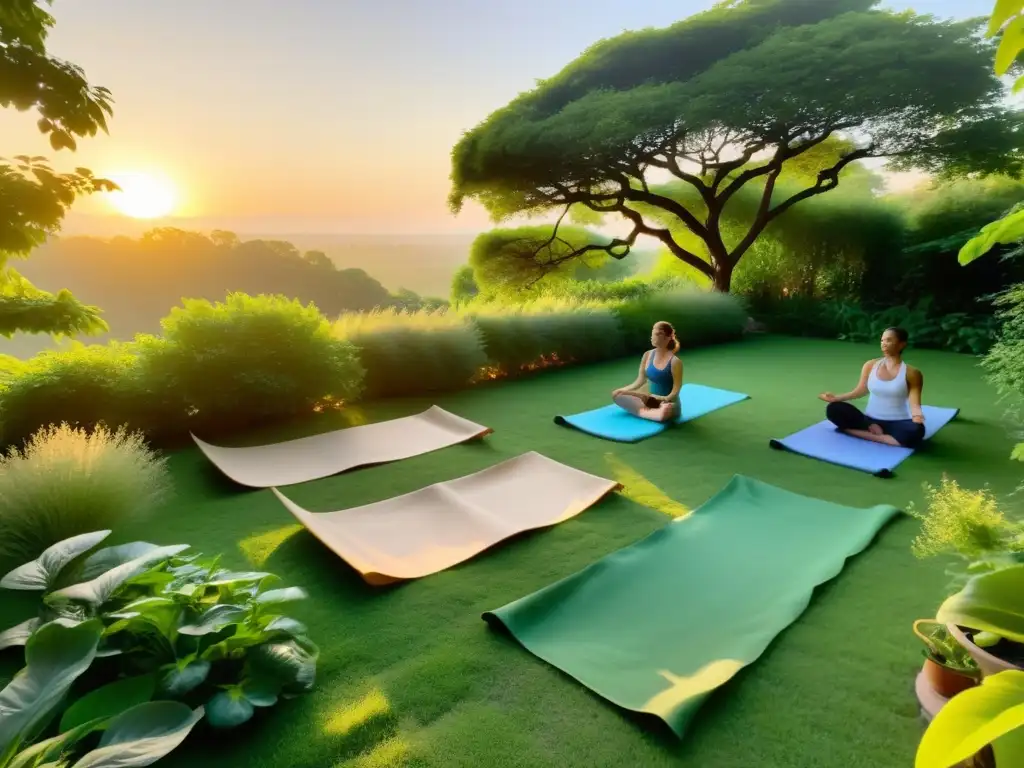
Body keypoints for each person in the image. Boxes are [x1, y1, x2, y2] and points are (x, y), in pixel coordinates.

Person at [818, 326, 926, 448]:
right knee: (833, 409)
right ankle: (879, 433)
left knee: (916, 431)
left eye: (889, 340)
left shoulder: (912, 373)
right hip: (868, 421)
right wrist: (836, 398)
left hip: (898, 421)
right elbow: (860, 390)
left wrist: (917, 420)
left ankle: (857, 433)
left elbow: (915, 403)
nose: (884, 344)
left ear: (902, 344)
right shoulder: (870, 365)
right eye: (882, 340)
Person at [611, 321, 684, 422]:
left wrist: (665, 399)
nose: (652, 337)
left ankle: (644, 412)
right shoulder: (647, 355)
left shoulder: (675, 362)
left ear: (668, 337)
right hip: (649, 400)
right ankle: (647, 413)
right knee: (617, 395)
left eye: (657, 334)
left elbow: (676, 389)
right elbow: (640, 381)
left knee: (666, 410)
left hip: (667, 403)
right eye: (653, 333)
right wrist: (624, 390)